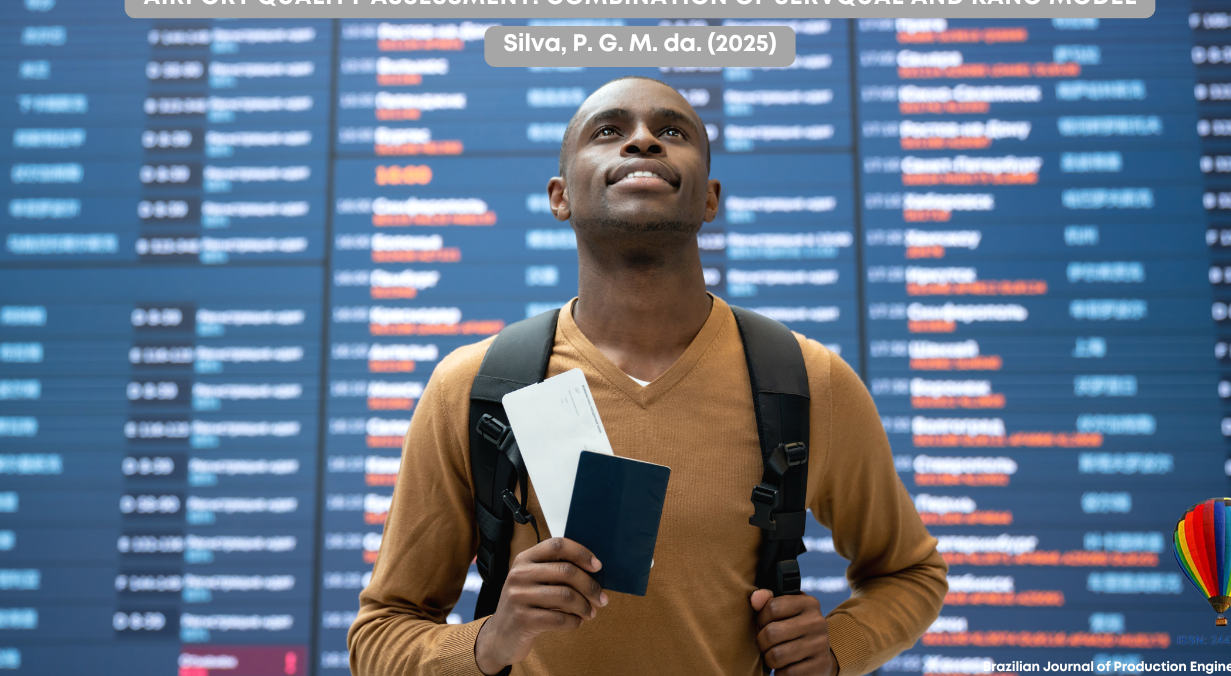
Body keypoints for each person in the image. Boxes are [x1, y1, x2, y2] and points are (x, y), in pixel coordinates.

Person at [348, 76, 948, 676]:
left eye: (671, 132)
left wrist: (838, 647)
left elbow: (911, 573)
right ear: (560, 197)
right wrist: (489, 642)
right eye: (608, 132)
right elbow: (379, 636)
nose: (642, 142)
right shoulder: (477, 388)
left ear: (710, 199)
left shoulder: (806, 382)